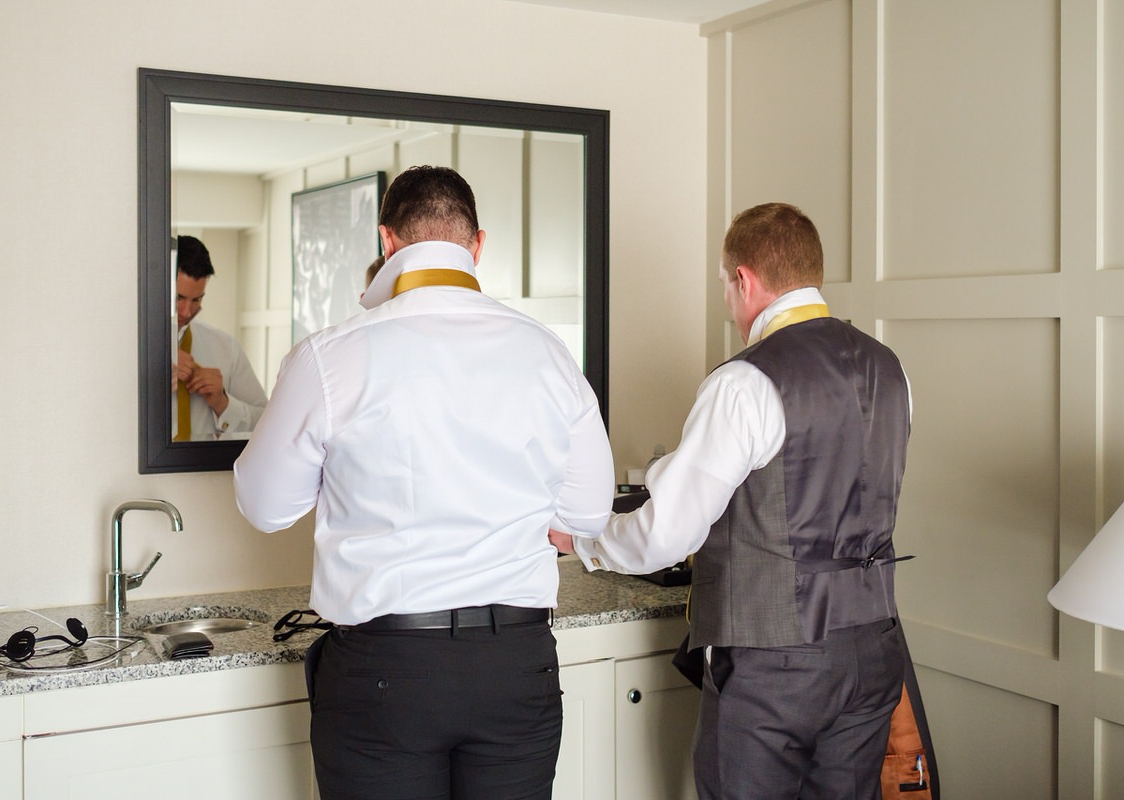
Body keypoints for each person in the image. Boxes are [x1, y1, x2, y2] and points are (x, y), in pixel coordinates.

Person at [233, 165, 615, 800]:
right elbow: (587, 513)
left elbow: (267, 506)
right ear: (478, 245)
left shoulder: (330, 356)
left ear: (387, 241)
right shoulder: (547, 351)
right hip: (515, 665)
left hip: (387, 669)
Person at [551, 202, 913, 799]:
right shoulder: (890, 369)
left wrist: (583, 539)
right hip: (874, 647)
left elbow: (666, 534)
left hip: (777, 664)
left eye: (726, 284)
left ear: (743, 279)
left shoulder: (746, 381)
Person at [172, 235, 267, 440]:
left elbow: (265, 421)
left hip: (204, 470)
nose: (187, 311)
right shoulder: (130, 347)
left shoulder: (225, 348)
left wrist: (223, 403)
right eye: (178, 298)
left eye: (197, 299)